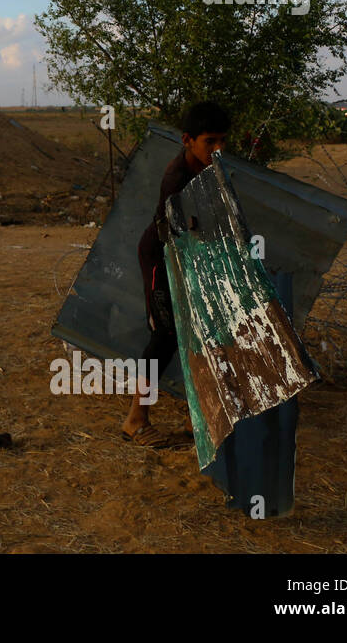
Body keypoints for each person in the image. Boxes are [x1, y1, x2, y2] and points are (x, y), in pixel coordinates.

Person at [122, 100, 230, 447]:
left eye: (222, 141)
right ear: (187, 139)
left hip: (189, 257)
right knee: (166, 336)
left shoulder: (209, 169)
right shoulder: (177, 178)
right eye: (210, 141)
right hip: (161, 258)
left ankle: (192, 421)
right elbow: (180, 231)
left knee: (199, 333)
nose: (218, 149)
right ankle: (135, 420)